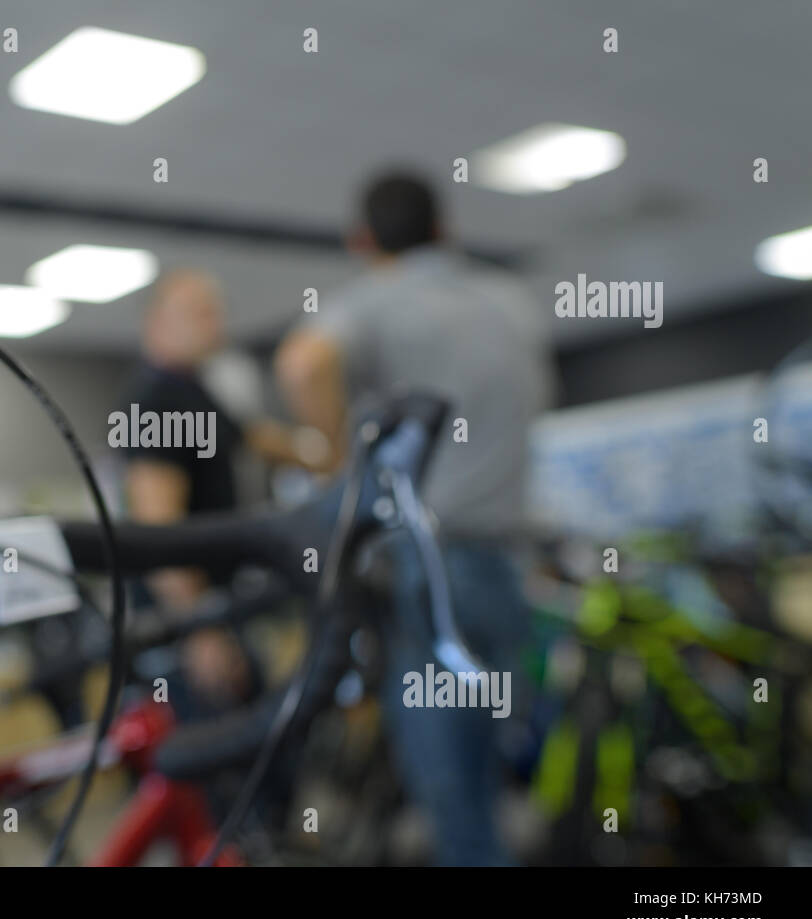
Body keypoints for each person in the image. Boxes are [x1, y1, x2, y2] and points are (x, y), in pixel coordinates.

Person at [274, 169, 555, 865]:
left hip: (433, 571)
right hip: (507, 568)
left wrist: (338, 460)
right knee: (491, 777)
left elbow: (303, 363)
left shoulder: (379, 299)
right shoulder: (510, 301)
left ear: (363, 241)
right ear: (446, 228)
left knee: (449, 794)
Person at [118, 270, 256, 712]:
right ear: (156, 323)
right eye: (198, 312)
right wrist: (201, 629)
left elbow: (251, 436)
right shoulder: (158, 398)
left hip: (218, 607)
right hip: (186, 626)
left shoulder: (195, 392)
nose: (214, 322)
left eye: (216, 311)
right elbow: (158, 526)